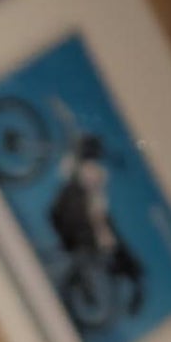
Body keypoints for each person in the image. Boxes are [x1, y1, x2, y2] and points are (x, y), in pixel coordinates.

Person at [47, 134, 145, 312]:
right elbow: (95, 212)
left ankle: (130, 283)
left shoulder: (86, 172)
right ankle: (130, 282)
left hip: (72, 223)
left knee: (110, 244)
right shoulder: (81, 172)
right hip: (74, 222)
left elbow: (96, 210)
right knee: (110, 242)